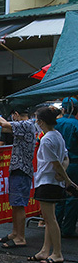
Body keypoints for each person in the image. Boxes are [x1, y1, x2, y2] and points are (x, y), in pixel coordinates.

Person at [28, 106, 78, 263]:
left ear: (41, 122)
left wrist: (67, 180)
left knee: (50, 219)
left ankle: (57, 253)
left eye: (37, 120)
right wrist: (64, 175)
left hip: (47, 182)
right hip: (53, 182)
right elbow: (65, 158)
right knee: (50, 219)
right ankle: (45, 250)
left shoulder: (47, 139)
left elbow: (56, 163)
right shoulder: (57, 136)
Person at [0, 105, 37, 248]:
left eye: (13, 116)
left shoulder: (25, 125)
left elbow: (3, 124)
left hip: (21, 169)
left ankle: (20, 237)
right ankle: (15, 233)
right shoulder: (29, 124)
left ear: (17, 114)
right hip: (19, 168)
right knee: (15, 203)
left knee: (19, 205)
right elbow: (4, 127)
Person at [54, 97, 78, 238]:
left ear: (63, 109)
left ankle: (55, 226)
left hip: (56, 165)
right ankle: (67, 229)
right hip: (74, 165)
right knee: (72, 196)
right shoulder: (76, 125)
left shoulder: (55, 123)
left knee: (58, 196)